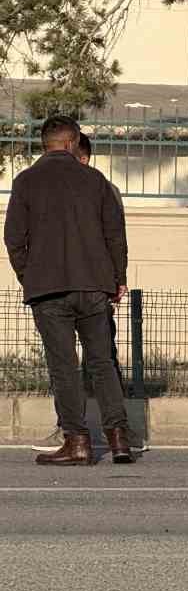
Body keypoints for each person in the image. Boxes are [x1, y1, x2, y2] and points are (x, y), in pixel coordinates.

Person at [4, 114, 135, 465]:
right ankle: (119, 438)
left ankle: (77, 442)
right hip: (94, 286)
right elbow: (114, 235)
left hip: (48, 290)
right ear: (73, 142)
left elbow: (14, 239)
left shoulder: (26, 181)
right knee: (102, 362)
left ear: (45, 144)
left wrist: (29, 276)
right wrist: (117, 278)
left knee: (64, 366)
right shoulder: (95, 180)